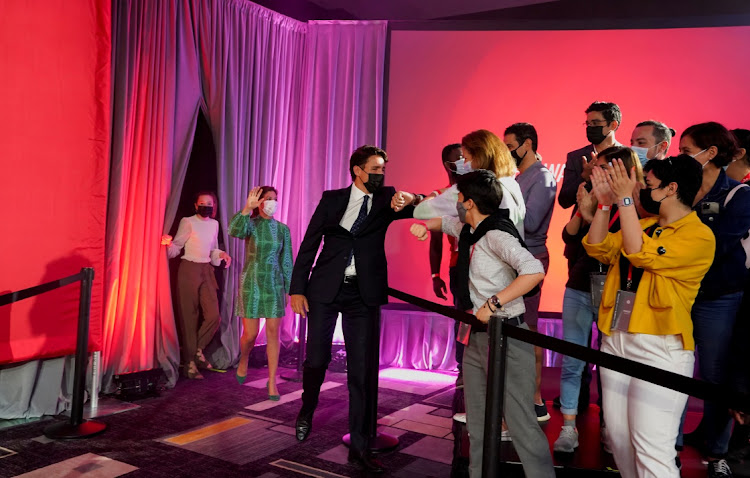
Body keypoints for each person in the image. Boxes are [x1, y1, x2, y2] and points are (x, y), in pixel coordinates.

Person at [410, 169, 554, 478]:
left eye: (459, 198)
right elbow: (445, 223)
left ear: (470, 202)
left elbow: (533, 270)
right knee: (476, 421)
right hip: (476, 335)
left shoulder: (497, 234)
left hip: (508, 336)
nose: (456, 203)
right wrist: (425, 227)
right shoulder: (470, 229)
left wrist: (495, 302)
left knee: (520, 422)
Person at [583, 155, 715, 478]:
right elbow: (598, 247)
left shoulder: (699, 236)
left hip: (660, 350)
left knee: (652, 448)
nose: (643, 189)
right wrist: (604, 205)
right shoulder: (643, 224)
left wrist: (626, 199)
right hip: (616, 340)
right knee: (619, 442)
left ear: (671, 189)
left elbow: (640, 254)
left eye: (650, 185)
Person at [289, 145, 417, 473]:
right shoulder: (332, 199)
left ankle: (359, 449)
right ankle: (307, 408)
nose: (380, 175)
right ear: (357, 170)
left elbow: (417, 204)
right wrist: (297, 290)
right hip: (324, 291)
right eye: (375, 169)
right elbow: (309, 244)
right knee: (317, 359)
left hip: (364, 296)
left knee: (361, 373)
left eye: (383, 170)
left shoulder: (388, 198)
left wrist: (412, 198)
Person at [553, 146, 644, 454]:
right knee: (572, 361)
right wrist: (583, 210)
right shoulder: (589, 191)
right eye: (597, 167)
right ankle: (568, 427)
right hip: (579, 285)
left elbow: (620, 246)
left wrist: (595, 214)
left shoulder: (637, 203)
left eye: (603, 167)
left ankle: (610, 428)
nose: (596, 171)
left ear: (624, 171)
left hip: (617, 292)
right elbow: (570, 236)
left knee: (612, 365)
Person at [677, 122, 750, 477]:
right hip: (678, 293)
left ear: (710, 154)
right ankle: (669, 444)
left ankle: (717, 451)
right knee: (671, 368)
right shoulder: (678, 189)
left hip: (718, 296)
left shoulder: (739, 194)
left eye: (687, 150)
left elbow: (717, 245)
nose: (681, 156)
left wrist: (681, 243)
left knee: (714, 375)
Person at [504, 122, 557, 421]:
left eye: (511, 146)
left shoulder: (544, 177)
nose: (508, 151)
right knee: (514, 328)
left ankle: (536, 399)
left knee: (529, 329)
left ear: (527, 143)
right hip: (514, 257)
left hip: (530, 258)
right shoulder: (521, 176)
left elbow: (533, 221)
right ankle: (517, 396)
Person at [229, 186, 293, 400]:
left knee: (273, 332)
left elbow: (286, 261)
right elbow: (234, 231)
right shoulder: (251, 224)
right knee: (250, 335)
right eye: (268, 199)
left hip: (275, 284)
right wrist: (247, 208)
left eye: (275, 199)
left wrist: (290, 289)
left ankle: (272, 381)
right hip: (252, 282)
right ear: (259, 200)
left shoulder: (283, 229)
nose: (272, 202)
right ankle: (244, 357)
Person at [161, 191, 231, 379]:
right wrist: (167, 245)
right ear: (195, 205)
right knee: (189, 316)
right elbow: (177, 246)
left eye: (209, 203)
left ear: (214, 206)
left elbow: (213, 249)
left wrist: (221, 255)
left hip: (206, 269)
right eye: (202, 203)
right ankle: (190, 364)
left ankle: (197, 351)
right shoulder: (188, 221)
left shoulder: (214, 224)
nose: (206, 206)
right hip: (189, 269)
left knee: (213, 315)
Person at [407, 129, 525, 237]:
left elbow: (420, 211)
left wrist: (437, 192)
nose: (463, 165)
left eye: (466, 159)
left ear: (478, 158)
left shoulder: (469, 188)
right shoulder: (511, 183)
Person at [427, 143, 465, 381]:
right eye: (459, 158)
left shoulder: (478, 190)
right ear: (447, 164)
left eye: (466, 157)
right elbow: (435, 240)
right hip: (459, 266)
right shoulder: (440, 196)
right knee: (462, 317)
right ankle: (463, 369)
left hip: (484, 263)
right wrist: (434, 275)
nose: (464, 162)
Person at [559, 101, 622, 209]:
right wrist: (584, 177)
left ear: (613, 125)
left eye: (596, 123)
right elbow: (564, 201)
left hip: (619, 222)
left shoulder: (627, 155)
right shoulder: (576, 157)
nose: (590, 127)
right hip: (584, 223)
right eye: (588, 124)